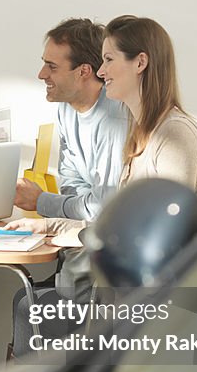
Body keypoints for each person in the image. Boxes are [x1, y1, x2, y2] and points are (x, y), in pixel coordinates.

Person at [7, 15, 197, 357]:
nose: (100, 72)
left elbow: (163, 242)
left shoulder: (174, 137)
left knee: (33, 308)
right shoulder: (143, 134)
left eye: (108, 60)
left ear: (140, 63)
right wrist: (52, 224)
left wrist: (57, 220)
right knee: (32, 304)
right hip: (127, 293)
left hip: (157, 306)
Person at [13, 18, 129, 222]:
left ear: (83, 71)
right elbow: (70, 181)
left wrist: (41, 201)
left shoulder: (114, 119)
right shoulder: (66, 108)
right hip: (86, 228)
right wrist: (81, 207)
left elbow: (104, 207)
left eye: (52, 67)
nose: (42, 74)